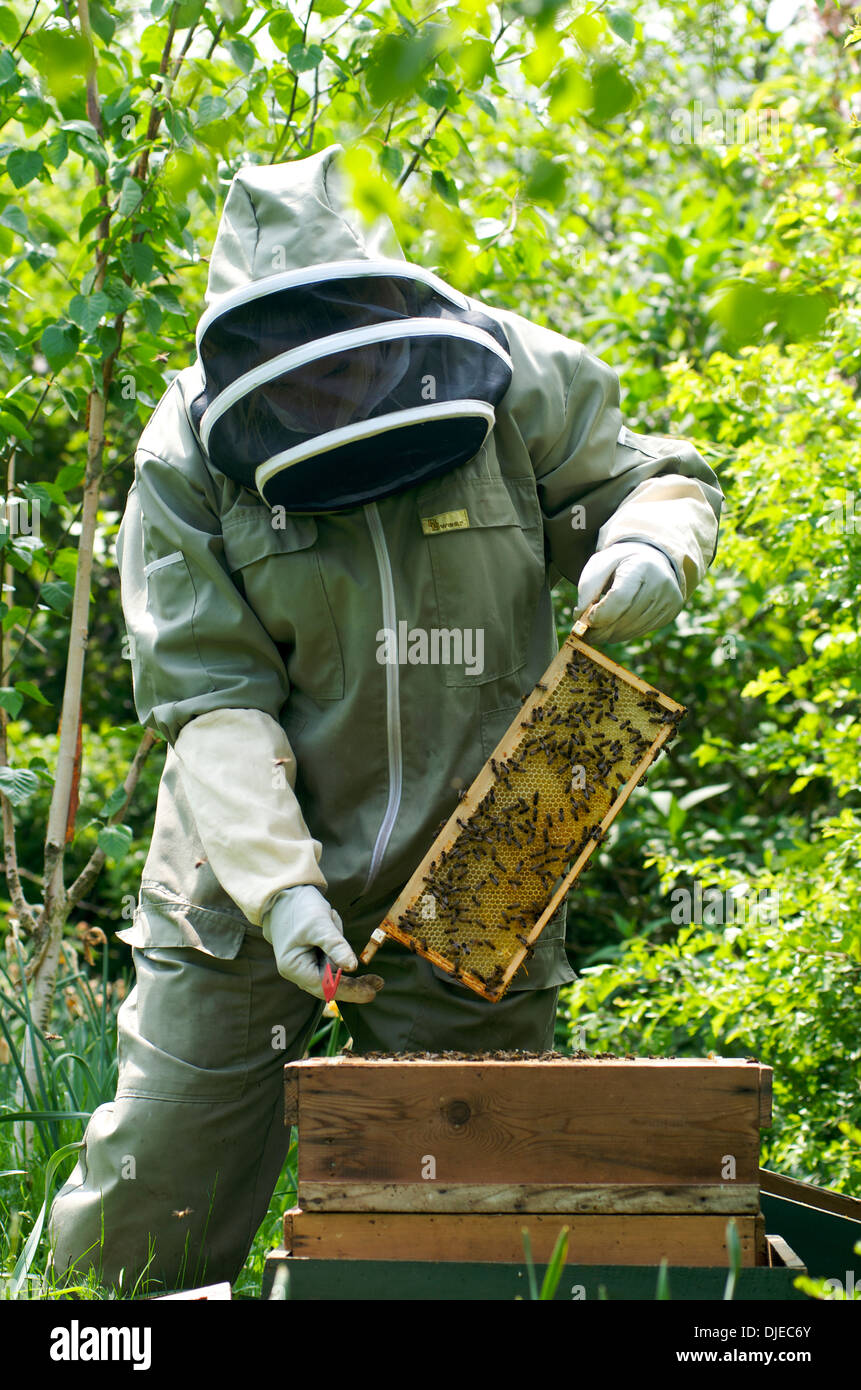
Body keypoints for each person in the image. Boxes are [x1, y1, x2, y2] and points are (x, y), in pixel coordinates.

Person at [48, 144, 723, 1293]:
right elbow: (211, 699)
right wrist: (281, 887)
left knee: (462, 1207)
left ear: (381, 299)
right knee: (158, 1187)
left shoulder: (511, 369)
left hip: (498, 840)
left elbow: (654, 473)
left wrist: (656, 539)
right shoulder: (183, 459)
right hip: (244, 862)